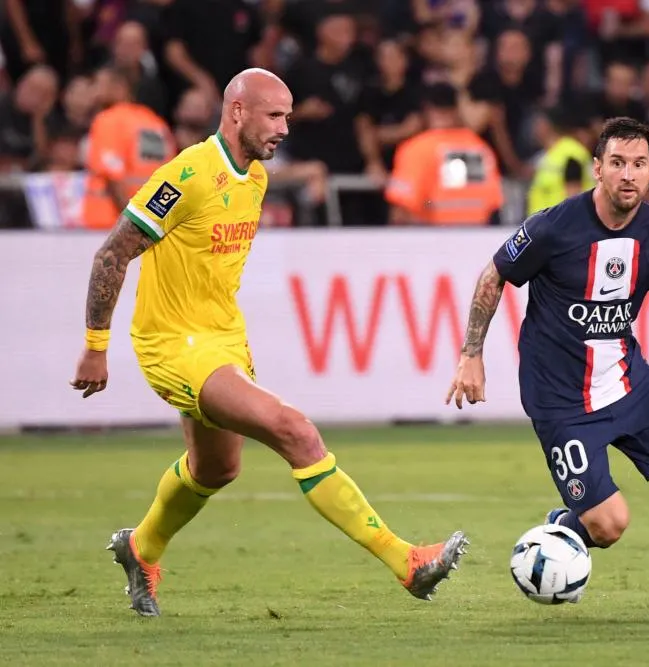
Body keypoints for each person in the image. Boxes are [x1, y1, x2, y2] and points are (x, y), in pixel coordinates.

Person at [70, 68, 467, 618]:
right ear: (237, 112)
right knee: (295, 431)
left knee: (215, 469)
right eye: (274, 115)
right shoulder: (186, 174)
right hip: (175, 344)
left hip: (223, 338)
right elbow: (112, 253)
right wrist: (96, 345)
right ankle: (407, 562)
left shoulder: (253, 178)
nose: (284, 127)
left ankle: (141, 547)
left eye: (288, 116)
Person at [445, 117, 649, 616]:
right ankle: (561, 530)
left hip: (626, 380)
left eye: (639, 164)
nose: (628, 175)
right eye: (617, 163)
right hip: (561, 401)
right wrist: (471, 354)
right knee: (609, 526)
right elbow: (494, 276)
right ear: (597, 168)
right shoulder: (555, 227)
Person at [384, 82, 504, 225]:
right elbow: (489, 205)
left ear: (427, 110)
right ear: (456, 109)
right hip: (475, 240)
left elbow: (401, 212)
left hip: (432, 241)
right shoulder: (479, 148)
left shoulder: (417, 149)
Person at [83, 65, 176, 230]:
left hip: (109, 223)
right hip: (153, 225)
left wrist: (130, 225)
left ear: (119, 86)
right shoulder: (156, 123)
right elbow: (171, 180)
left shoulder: (109, 120)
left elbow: (112, 176)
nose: (92, 91)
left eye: (97, 83)